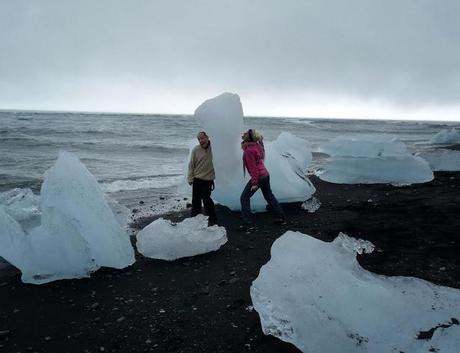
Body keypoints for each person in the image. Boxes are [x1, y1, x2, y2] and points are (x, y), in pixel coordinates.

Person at [240, 129, 286, 229]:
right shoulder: (256, 145)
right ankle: (281, 217)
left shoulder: (249, 150)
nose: (243, 133)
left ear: (250, 137)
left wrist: (255, 183)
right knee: (269, 196)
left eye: (246, 133)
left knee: (244, 197)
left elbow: (253, 169)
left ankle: (247, 223)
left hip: (259, 176)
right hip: (265, 175)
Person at [187, 131, 218, 226]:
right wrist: (190, 178)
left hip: (208, 180)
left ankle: (212, 218)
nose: (201, 140)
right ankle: (194, 219)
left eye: (202, 138)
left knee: (206, 199)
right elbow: (191, 165)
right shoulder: (196, 149)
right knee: (195, 200)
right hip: (197, 179)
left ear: (208, 137)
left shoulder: (215, 148)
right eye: (199, 139)